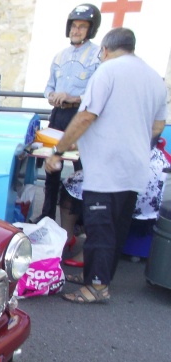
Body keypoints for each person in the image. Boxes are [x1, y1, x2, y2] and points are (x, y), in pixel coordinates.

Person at [44, 27, 168, 304]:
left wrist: (59, 150)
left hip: (107, 168)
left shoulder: (107, 72)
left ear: (105, 50)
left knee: (100, 227)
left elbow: (86, 115)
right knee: (117, 227)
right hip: (136, 167)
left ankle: (96, 288)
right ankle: (98, 277)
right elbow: (157, 126)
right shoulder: (155, 79)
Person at [38, 3, 101, 222]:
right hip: (58, 115)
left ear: (90, 30)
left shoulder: (97, 56)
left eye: (82, 27)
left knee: (81, 169)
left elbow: (97, 91)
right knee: (51, 166)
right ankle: (47, 214)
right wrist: (52, 95)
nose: (76, 30)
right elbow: (48, 86)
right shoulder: (59, 56)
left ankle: (80, 221)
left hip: (80, 116)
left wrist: (74, 98)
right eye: (74, 26)